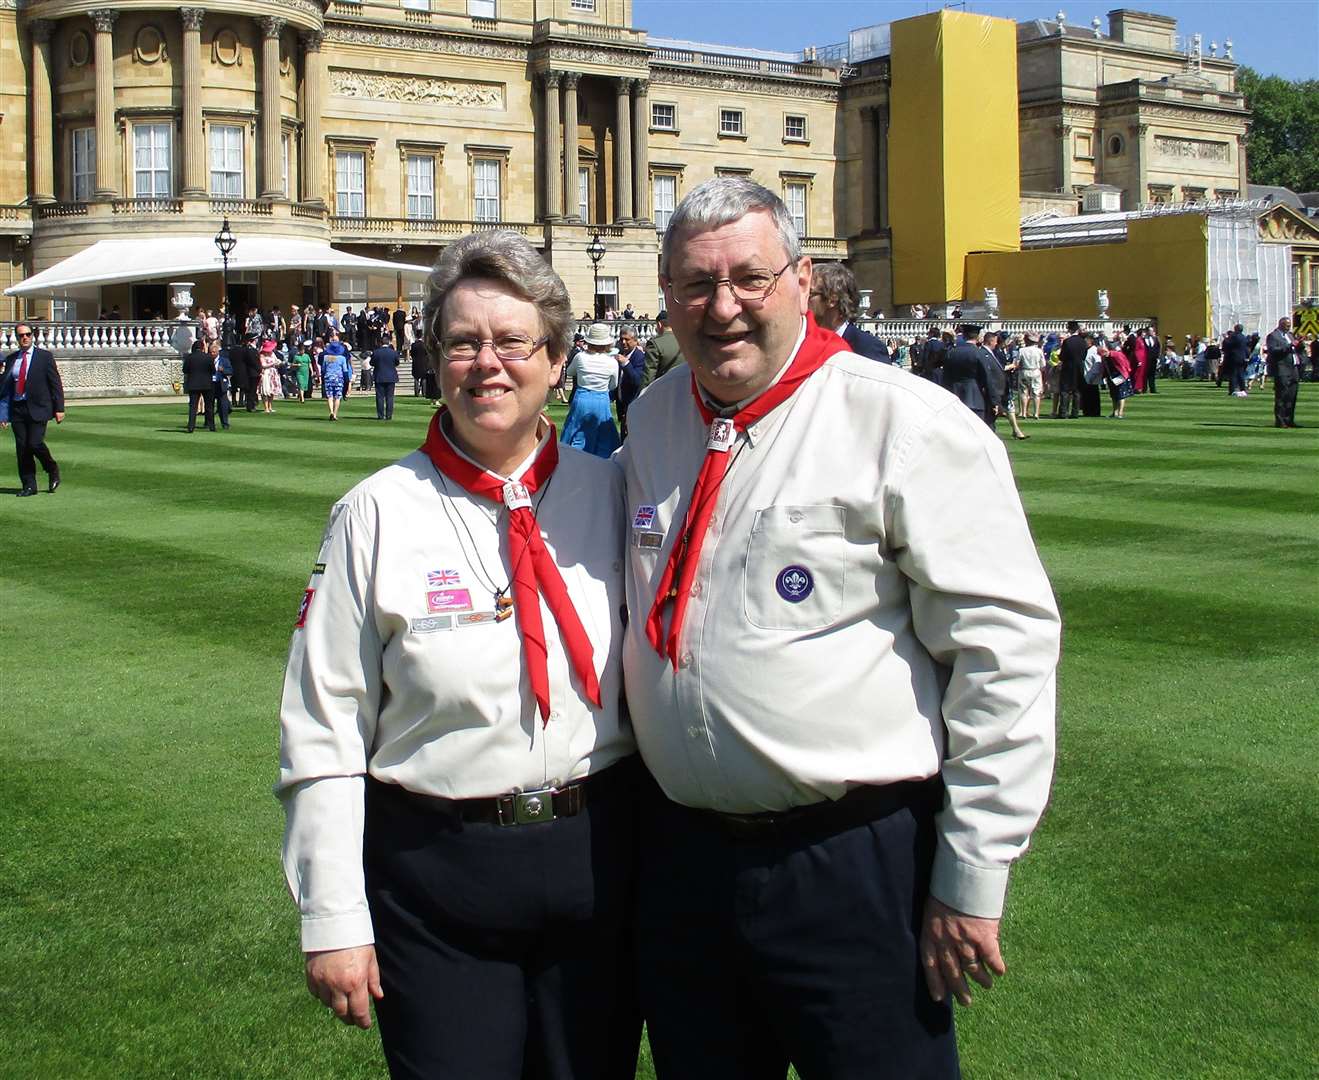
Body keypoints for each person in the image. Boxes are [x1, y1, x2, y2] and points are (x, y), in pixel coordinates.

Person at [619, 178, 1060, 1079]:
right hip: (682, 866)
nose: (723, 306)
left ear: (801, 278)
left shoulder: (902, 420)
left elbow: (1002, 652)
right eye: (695, 284)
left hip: (852, 865)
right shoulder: (654, 418)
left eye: (749, 277)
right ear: (666, 294)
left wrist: (971, 876)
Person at [277, 229, 639, 1080]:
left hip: (604, 863)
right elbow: (323, 721)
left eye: (512, 341)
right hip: (438, 874)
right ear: (434, 360)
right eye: (463, 343)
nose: (488, 364)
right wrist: (332, 914)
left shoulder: (614, 494)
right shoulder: (373, 513)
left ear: (556, 360)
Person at [3, 323, 65, 496]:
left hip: (39, 407)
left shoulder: (44, 357)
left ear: (32, 336)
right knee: (22, 448)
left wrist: (59, 408)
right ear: (16, 338)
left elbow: (55, 383)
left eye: (28, 334)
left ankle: (51, 467)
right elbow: (5, 388)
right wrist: (3, 414)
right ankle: (29, 485)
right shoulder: (12, 359)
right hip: (18, 408)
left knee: (35, 443)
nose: (25, 338)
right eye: (21, 335)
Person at [807, 262, 890, 362]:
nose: (802, 299)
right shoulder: (804, 343)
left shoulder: (868, 348)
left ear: (832, 299)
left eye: (809, 293)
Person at [559, 323, 620, 457]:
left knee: (575, 429)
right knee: (603, 435)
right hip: (601, 398)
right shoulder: (612, 362)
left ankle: (571, 458)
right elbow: (613, 385)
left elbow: (570, 371)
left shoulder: (580, 357)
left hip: (582, 397)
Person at [1265, 316, 1300, 428]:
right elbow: (1273, 350)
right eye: (1287, 325)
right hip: (1282, 369)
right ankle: (1280, 420)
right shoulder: (1273, 336)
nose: (1289, 327)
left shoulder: (1289, 335)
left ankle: (1289, 419)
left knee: (1292, 396)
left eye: (1289, 325)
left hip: (1293, 368)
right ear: (1281, 324)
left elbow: (1295, 348)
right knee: (1282, 396)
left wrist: (1299, 344)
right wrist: (1289, 346)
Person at [640, 310, 684, 387]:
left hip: (663, 391)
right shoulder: (684, 341)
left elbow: (648, 377)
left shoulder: (654, 344)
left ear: (659, 324)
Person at [616, 328, 645, 438]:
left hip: (633, 405)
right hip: (622, 406)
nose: (623, 342)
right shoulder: (620, 355)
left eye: (627, 339)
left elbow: (637, 380)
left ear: (635, 340)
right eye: (621, 339)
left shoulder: (639, 357)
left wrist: (626, 364)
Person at [182, 338, 216, 431]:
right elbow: (213, 371)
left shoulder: (189, 357)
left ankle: (191, 426)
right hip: (206, 384)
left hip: (193, 384)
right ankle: (211, 426)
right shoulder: (208, 357)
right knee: (209, 406)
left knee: (193, 407)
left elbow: (185, 370)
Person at [1057, 321, 1086, 419]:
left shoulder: (1067, 341)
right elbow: (1084, 355)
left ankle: (1063, 412)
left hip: (1068, 367)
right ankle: (1075, 412)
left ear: (1069, 329)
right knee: (1077, 391)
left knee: (1065, 390)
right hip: (1079, 366)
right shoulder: (1083, 341)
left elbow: (1062, 356)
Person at [320, 337, 351, 421]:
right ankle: (335, 413)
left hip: (328, 377)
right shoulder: (342, 358)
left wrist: (322, 378)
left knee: (329, 396)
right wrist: (347, 380)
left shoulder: (326, 358)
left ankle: (331, 411)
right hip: (338, 378)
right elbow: (345, 370)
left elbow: (323, 369)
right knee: (337, 396)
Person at [1102, 336, 1133, 418]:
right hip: (1112, 376)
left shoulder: (1117, 355)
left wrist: (1125, 375)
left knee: (1121, 395)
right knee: (1114, 395)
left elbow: (1125, 365)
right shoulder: (1106, 357)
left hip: (1121, 376)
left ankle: (1120, 412)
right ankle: (1115, 412)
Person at [369, 338, 400, 420]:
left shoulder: (376, 352)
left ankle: (380, 415)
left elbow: (371, 363)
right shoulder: (393, 352)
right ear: (388, 342)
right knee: (390, 397)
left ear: (380, 343)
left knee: (380, 397)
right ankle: (389, 415)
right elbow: (397, 363)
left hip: (379, 376)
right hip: (390, 376)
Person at [1017, 332, 1045, 419]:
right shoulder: (1039, 351)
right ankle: (1036, 413)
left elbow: (1017, 363)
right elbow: (1043, 365)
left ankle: (1024, 412)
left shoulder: (1022, 350)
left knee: (1023, 392)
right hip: (1035, 371)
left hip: (1024, 371)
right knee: (1036, 393)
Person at [1221, 323, 1250, 398]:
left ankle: (1232, 390)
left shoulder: (1233, 336)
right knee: (1241, 374)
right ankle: (1243, 389)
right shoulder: (1244, 337)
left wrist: (1225, 338)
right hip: (1242, 358)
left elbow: (1227, 345)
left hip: (1234, 357)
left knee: (1233, 374)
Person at [210, 339, 233, 429]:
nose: (212, 354)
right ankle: (209, 423)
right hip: (211, 384)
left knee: (223, 406)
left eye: (214, 352)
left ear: (217, 352)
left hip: (221, 384)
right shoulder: (208, 360)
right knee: (210, 405)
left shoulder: (224, 360)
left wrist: (223, 370)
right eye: (211, 352)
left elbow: (231, 371)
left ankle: (225, 423)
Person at [258, 340, 282, 412]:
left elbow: (276, 360)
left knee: (272, 390)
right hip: (266, 373)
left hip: (273, 372)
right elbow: (263, 365)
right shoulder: (262, 355)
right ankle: (266, 407)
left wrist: (278, 363)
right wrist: (272, 364)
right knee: (266, 390)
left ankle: (270, 406)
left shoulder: (272, 353)